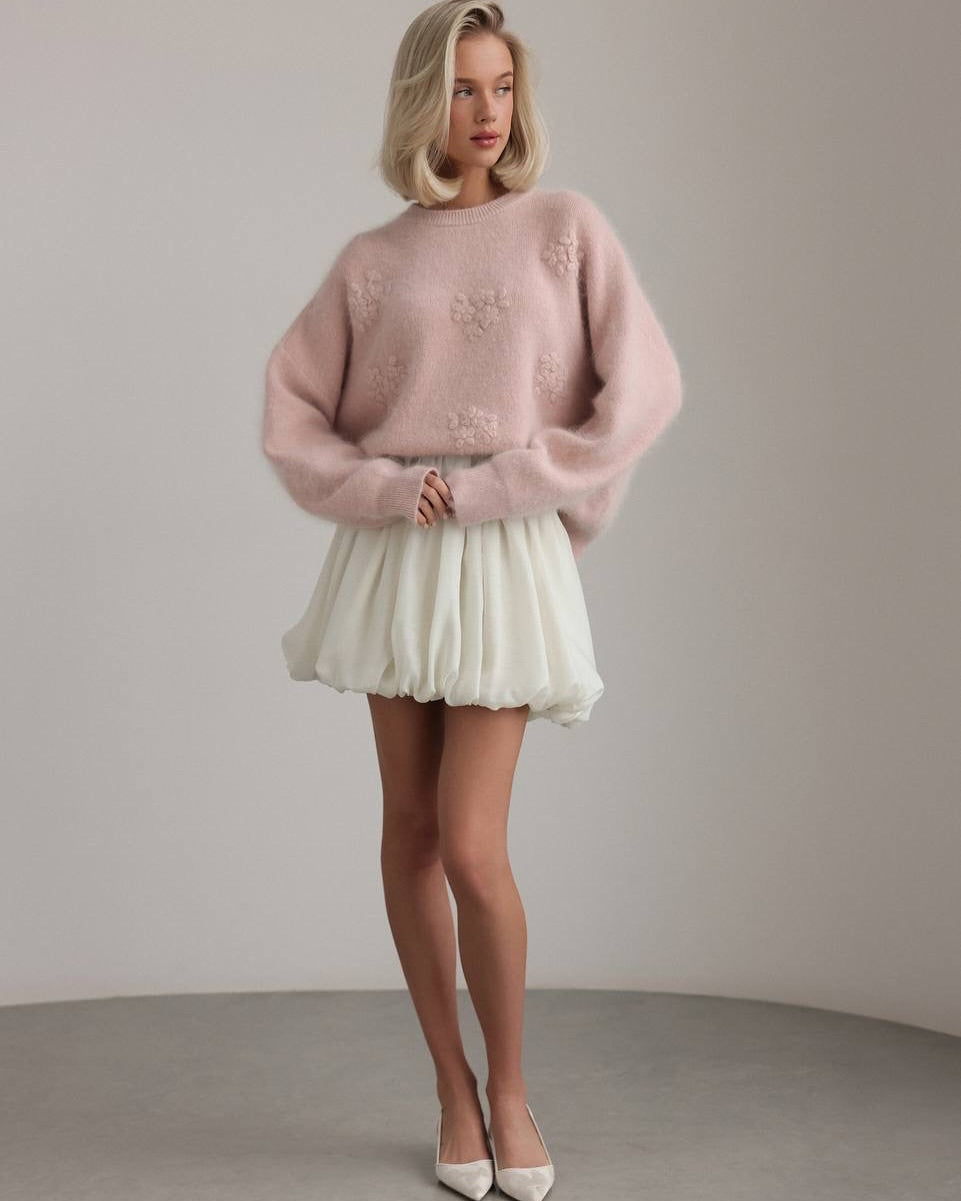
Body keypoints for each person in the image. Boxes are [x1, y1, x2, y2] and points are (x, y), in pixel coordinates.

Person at [261, 3, 683, 1197]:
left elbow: (641, 391)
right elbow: (293, 412)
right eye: (461, 87)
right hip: (401, 550)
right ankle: (450, 1088)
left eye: (500, 87)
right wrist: (383, 490)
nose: (486, 111)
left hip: (497, 550)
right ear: (421, 101)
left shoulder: (564, 227)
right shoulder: (371, 261)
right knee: (407, 830)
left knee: (472, 843)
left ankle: (510, 1088)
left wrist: (523, 494)